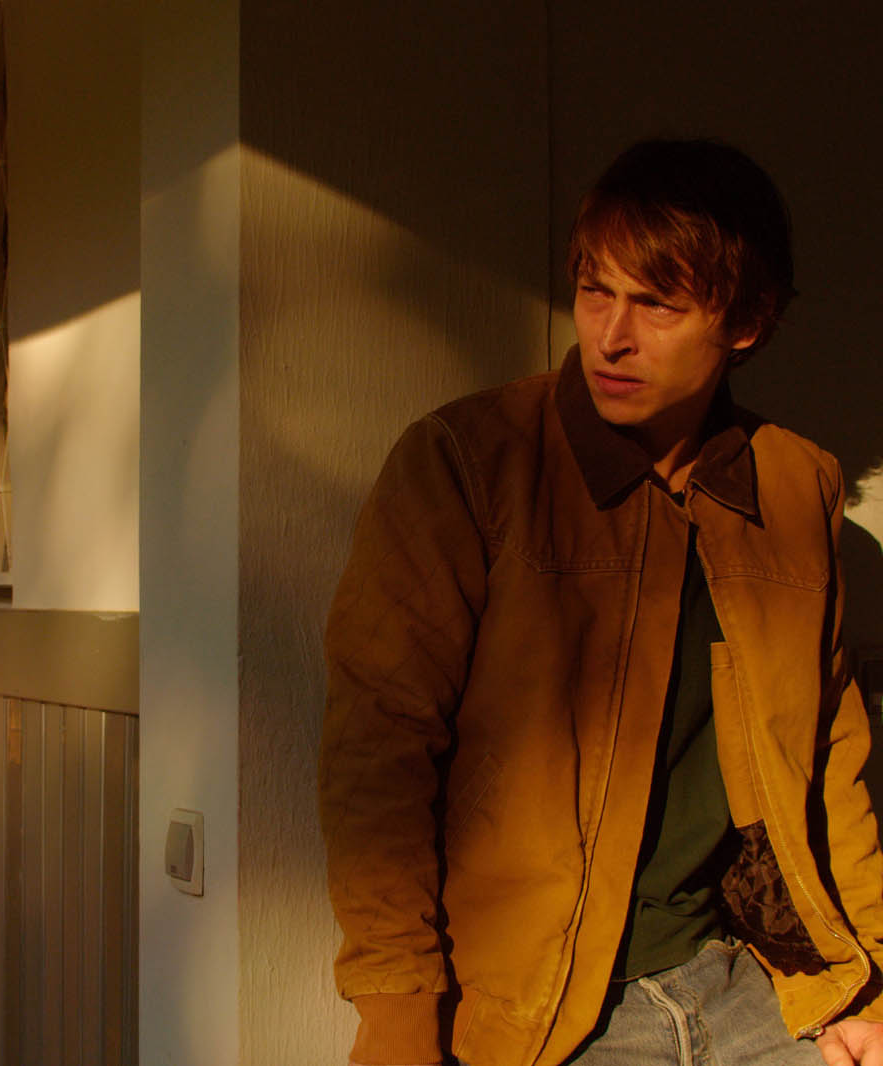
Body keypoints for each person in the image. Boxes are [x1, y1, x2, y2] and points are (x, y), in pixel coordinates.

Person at [319, 139, 883, 1066]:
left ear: (746, 321)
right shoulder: (470, 461)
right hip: (557, 1016)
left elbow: (828, 753)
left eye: (657, 304)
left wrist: (860, 988)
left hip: (755, 984)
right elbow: (376, 752)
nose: (610, 336)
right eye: (594, 291)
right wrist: (398, 1023)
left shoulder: (795, 481)